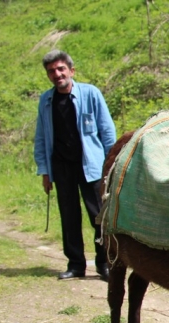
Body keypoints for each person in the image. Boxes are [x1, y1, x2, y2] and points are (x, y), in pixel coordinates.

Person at [33, 50, 115, 281]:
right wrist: (45, 171)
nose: (57, 74)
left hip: (92, 167)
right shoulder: (46, 100)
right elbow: (41, 137)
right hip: (62, 167)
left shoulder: (90, 93)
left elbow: (107, 131)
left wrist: (111, 166)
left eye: (61, 69)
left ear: (71, 70)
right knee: (69, 218)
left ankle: (105, 263)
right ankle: (76, 265)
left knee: (99, 217)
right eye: (52, 71)